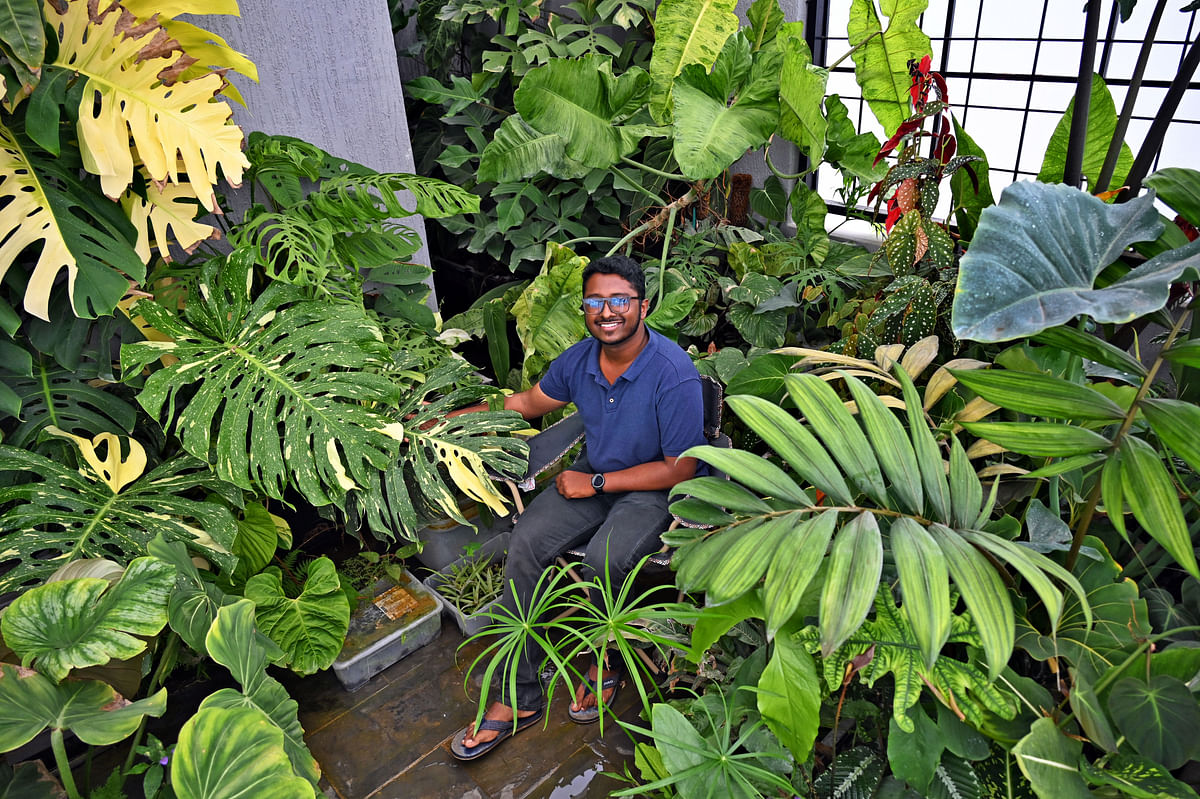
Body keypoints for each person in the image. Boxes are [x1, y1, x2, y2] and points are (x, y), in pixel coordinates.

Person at [447, 254, 706, 761]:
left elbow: (681, 469)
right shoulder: (580, 360)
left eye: (619, 301)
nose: (607, 311)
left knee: (604, 560)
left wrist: (597, 481)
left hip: (650, 489)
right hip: (592, 479)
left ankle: (602, 656)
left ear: (642, 307)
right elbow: (526, 403)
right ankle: (515, 696)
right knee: (524, 545)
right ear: (585, 308)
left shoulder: (673, 372)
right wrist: (454, 418)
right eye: (595, 301)